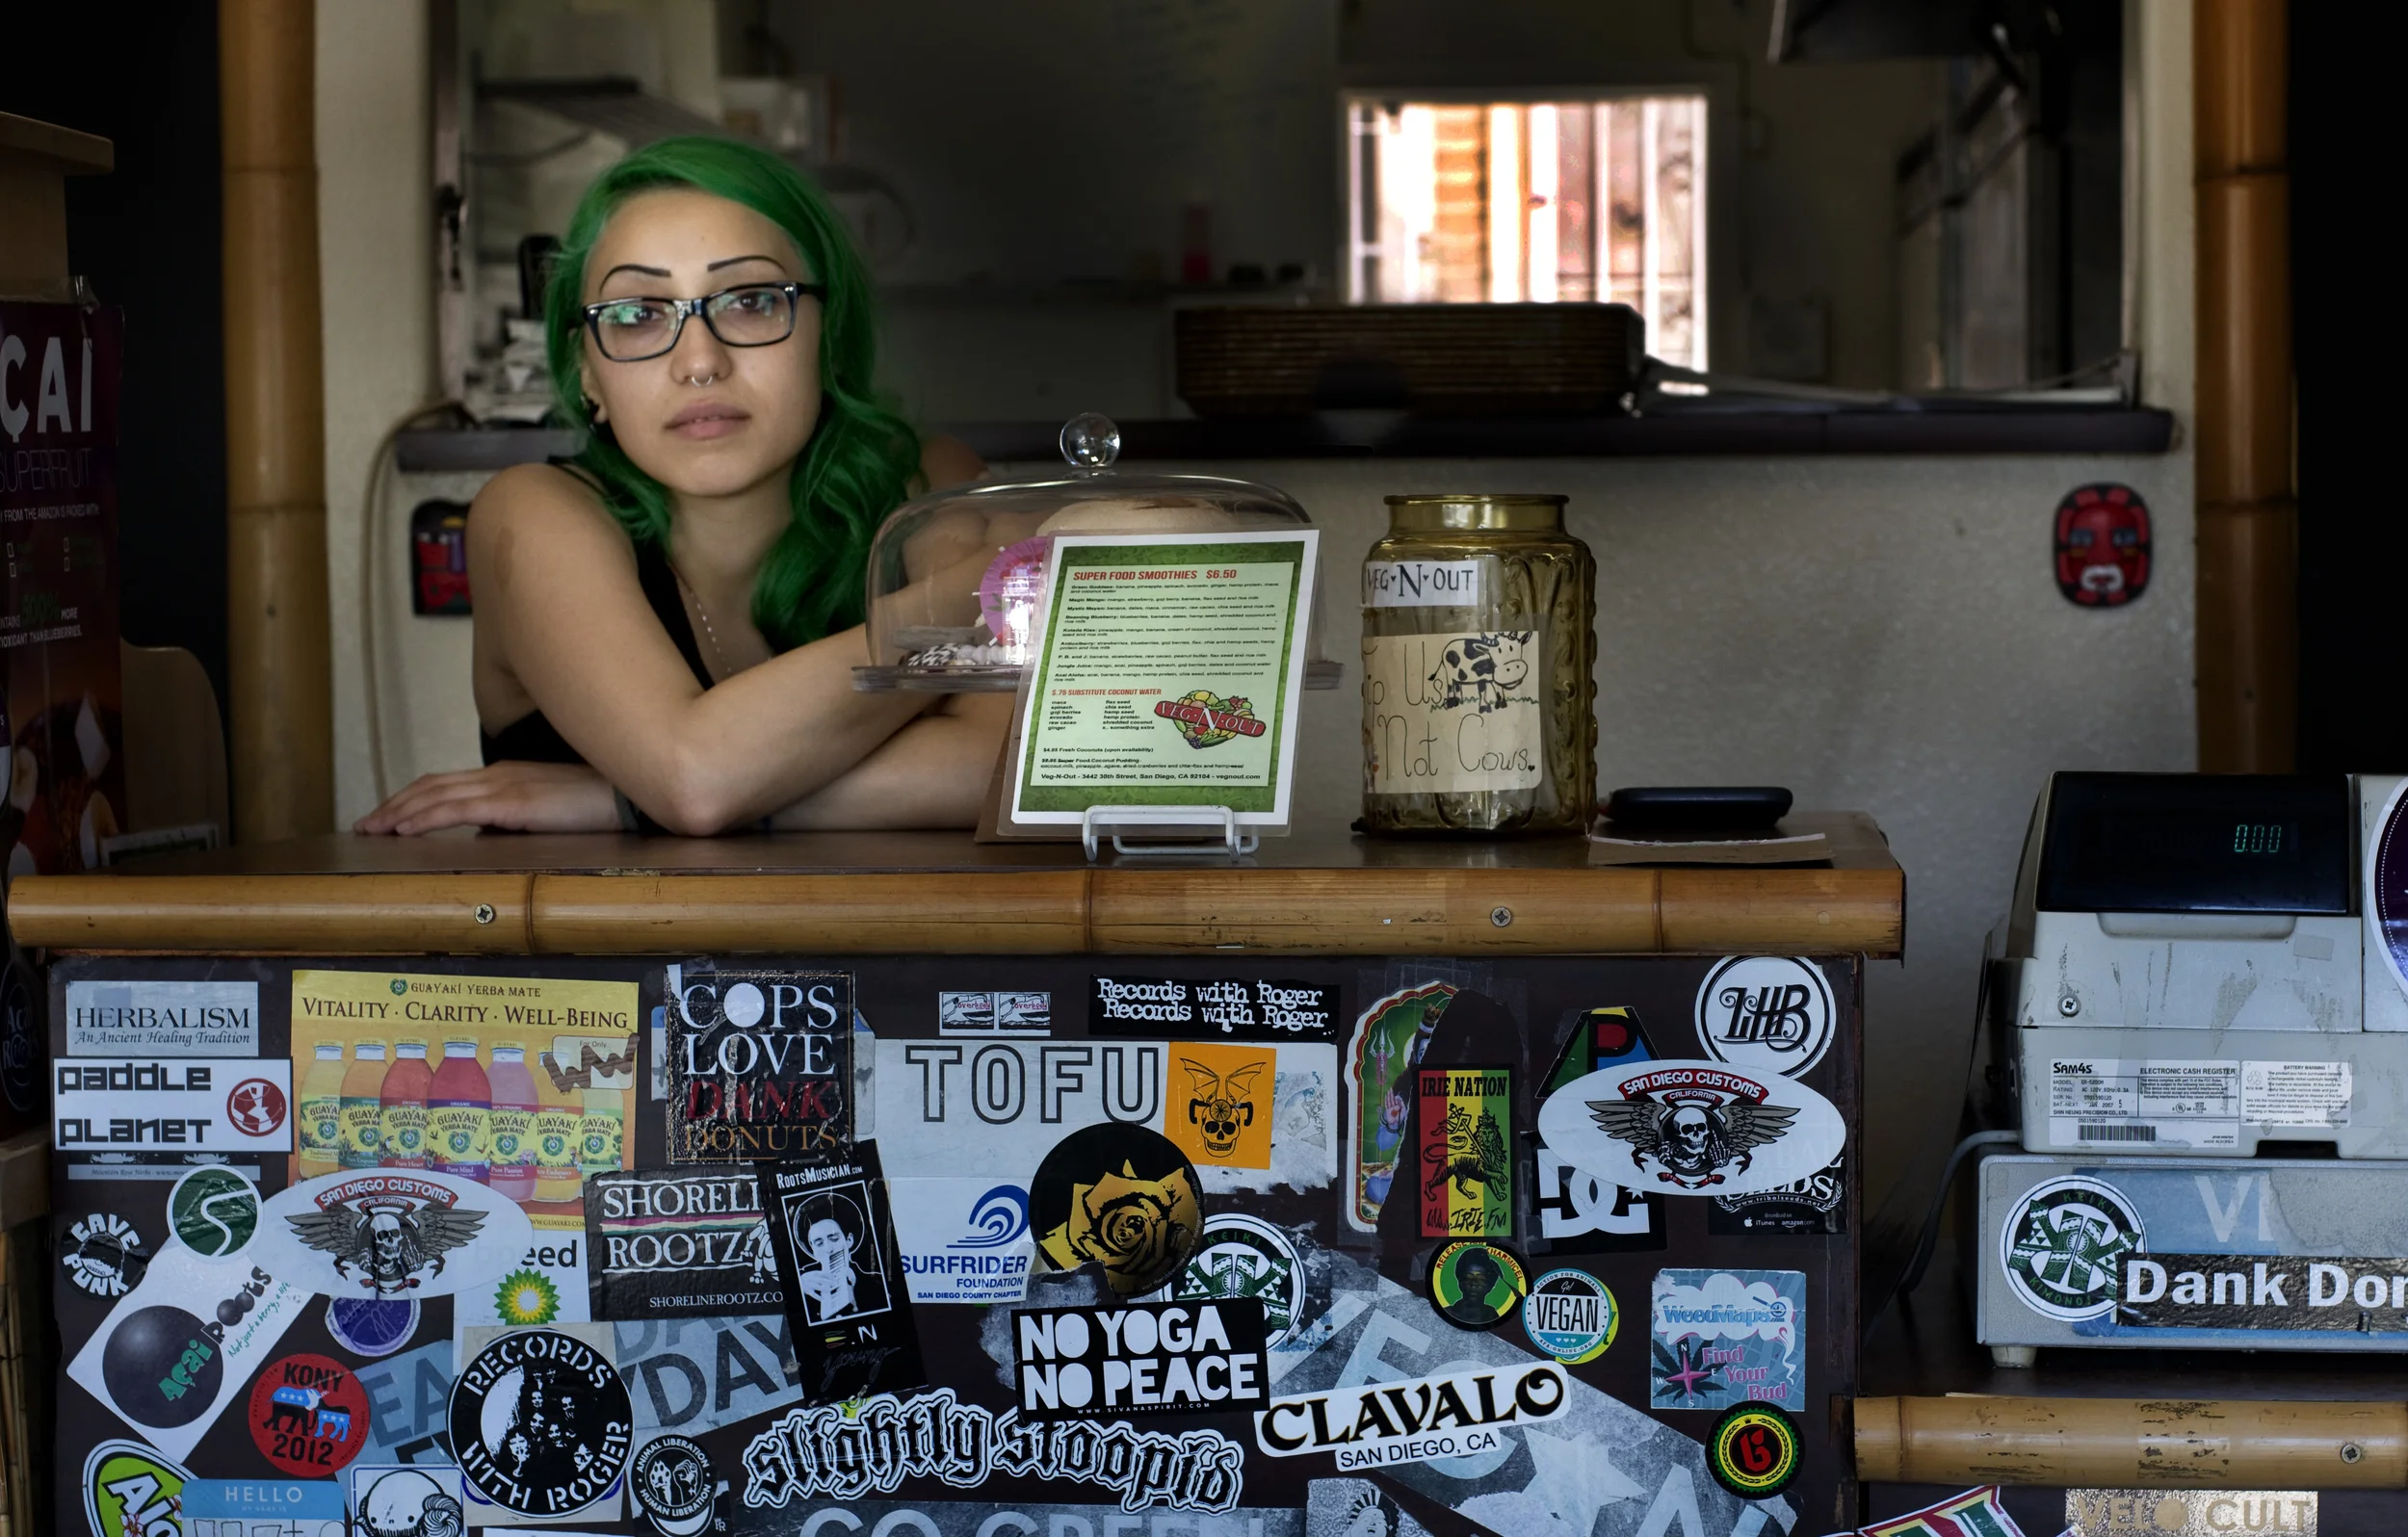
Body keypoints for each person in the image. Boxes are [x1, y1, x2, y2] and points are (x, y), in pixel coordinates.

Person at [358, 137, 1005, 837]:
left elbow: (1004, 767)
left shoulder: (928, 483)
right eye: (637, 315)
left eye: (752, 301)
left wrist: (610, 802)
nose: (699, 362)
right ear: (587, 373)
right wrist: (985, 586)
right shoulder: (532, 516)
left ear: (830, 333)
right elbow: (694, 779)